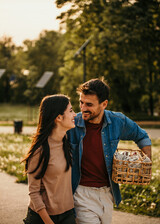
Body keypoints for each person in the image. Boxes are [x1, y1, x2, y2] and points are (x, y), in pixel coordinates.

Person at [67, 78, 152, 224]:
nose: (83, 108)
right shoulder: (72, 124)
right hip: (80, 193)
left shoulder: (118, 121)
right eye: (81, 102)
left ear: (104, 104)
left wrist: (146, 162)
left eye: (89, 104)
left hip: (107, 193)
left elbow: (142, 136)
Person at [22, 94, 77, 224]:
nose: (75, 114)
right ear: (58, 117)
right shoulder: (39, 151)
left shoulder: (66, 142)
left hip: (67, 214)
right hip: (42, 217)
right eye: (70, 110)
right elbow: (34, 192)